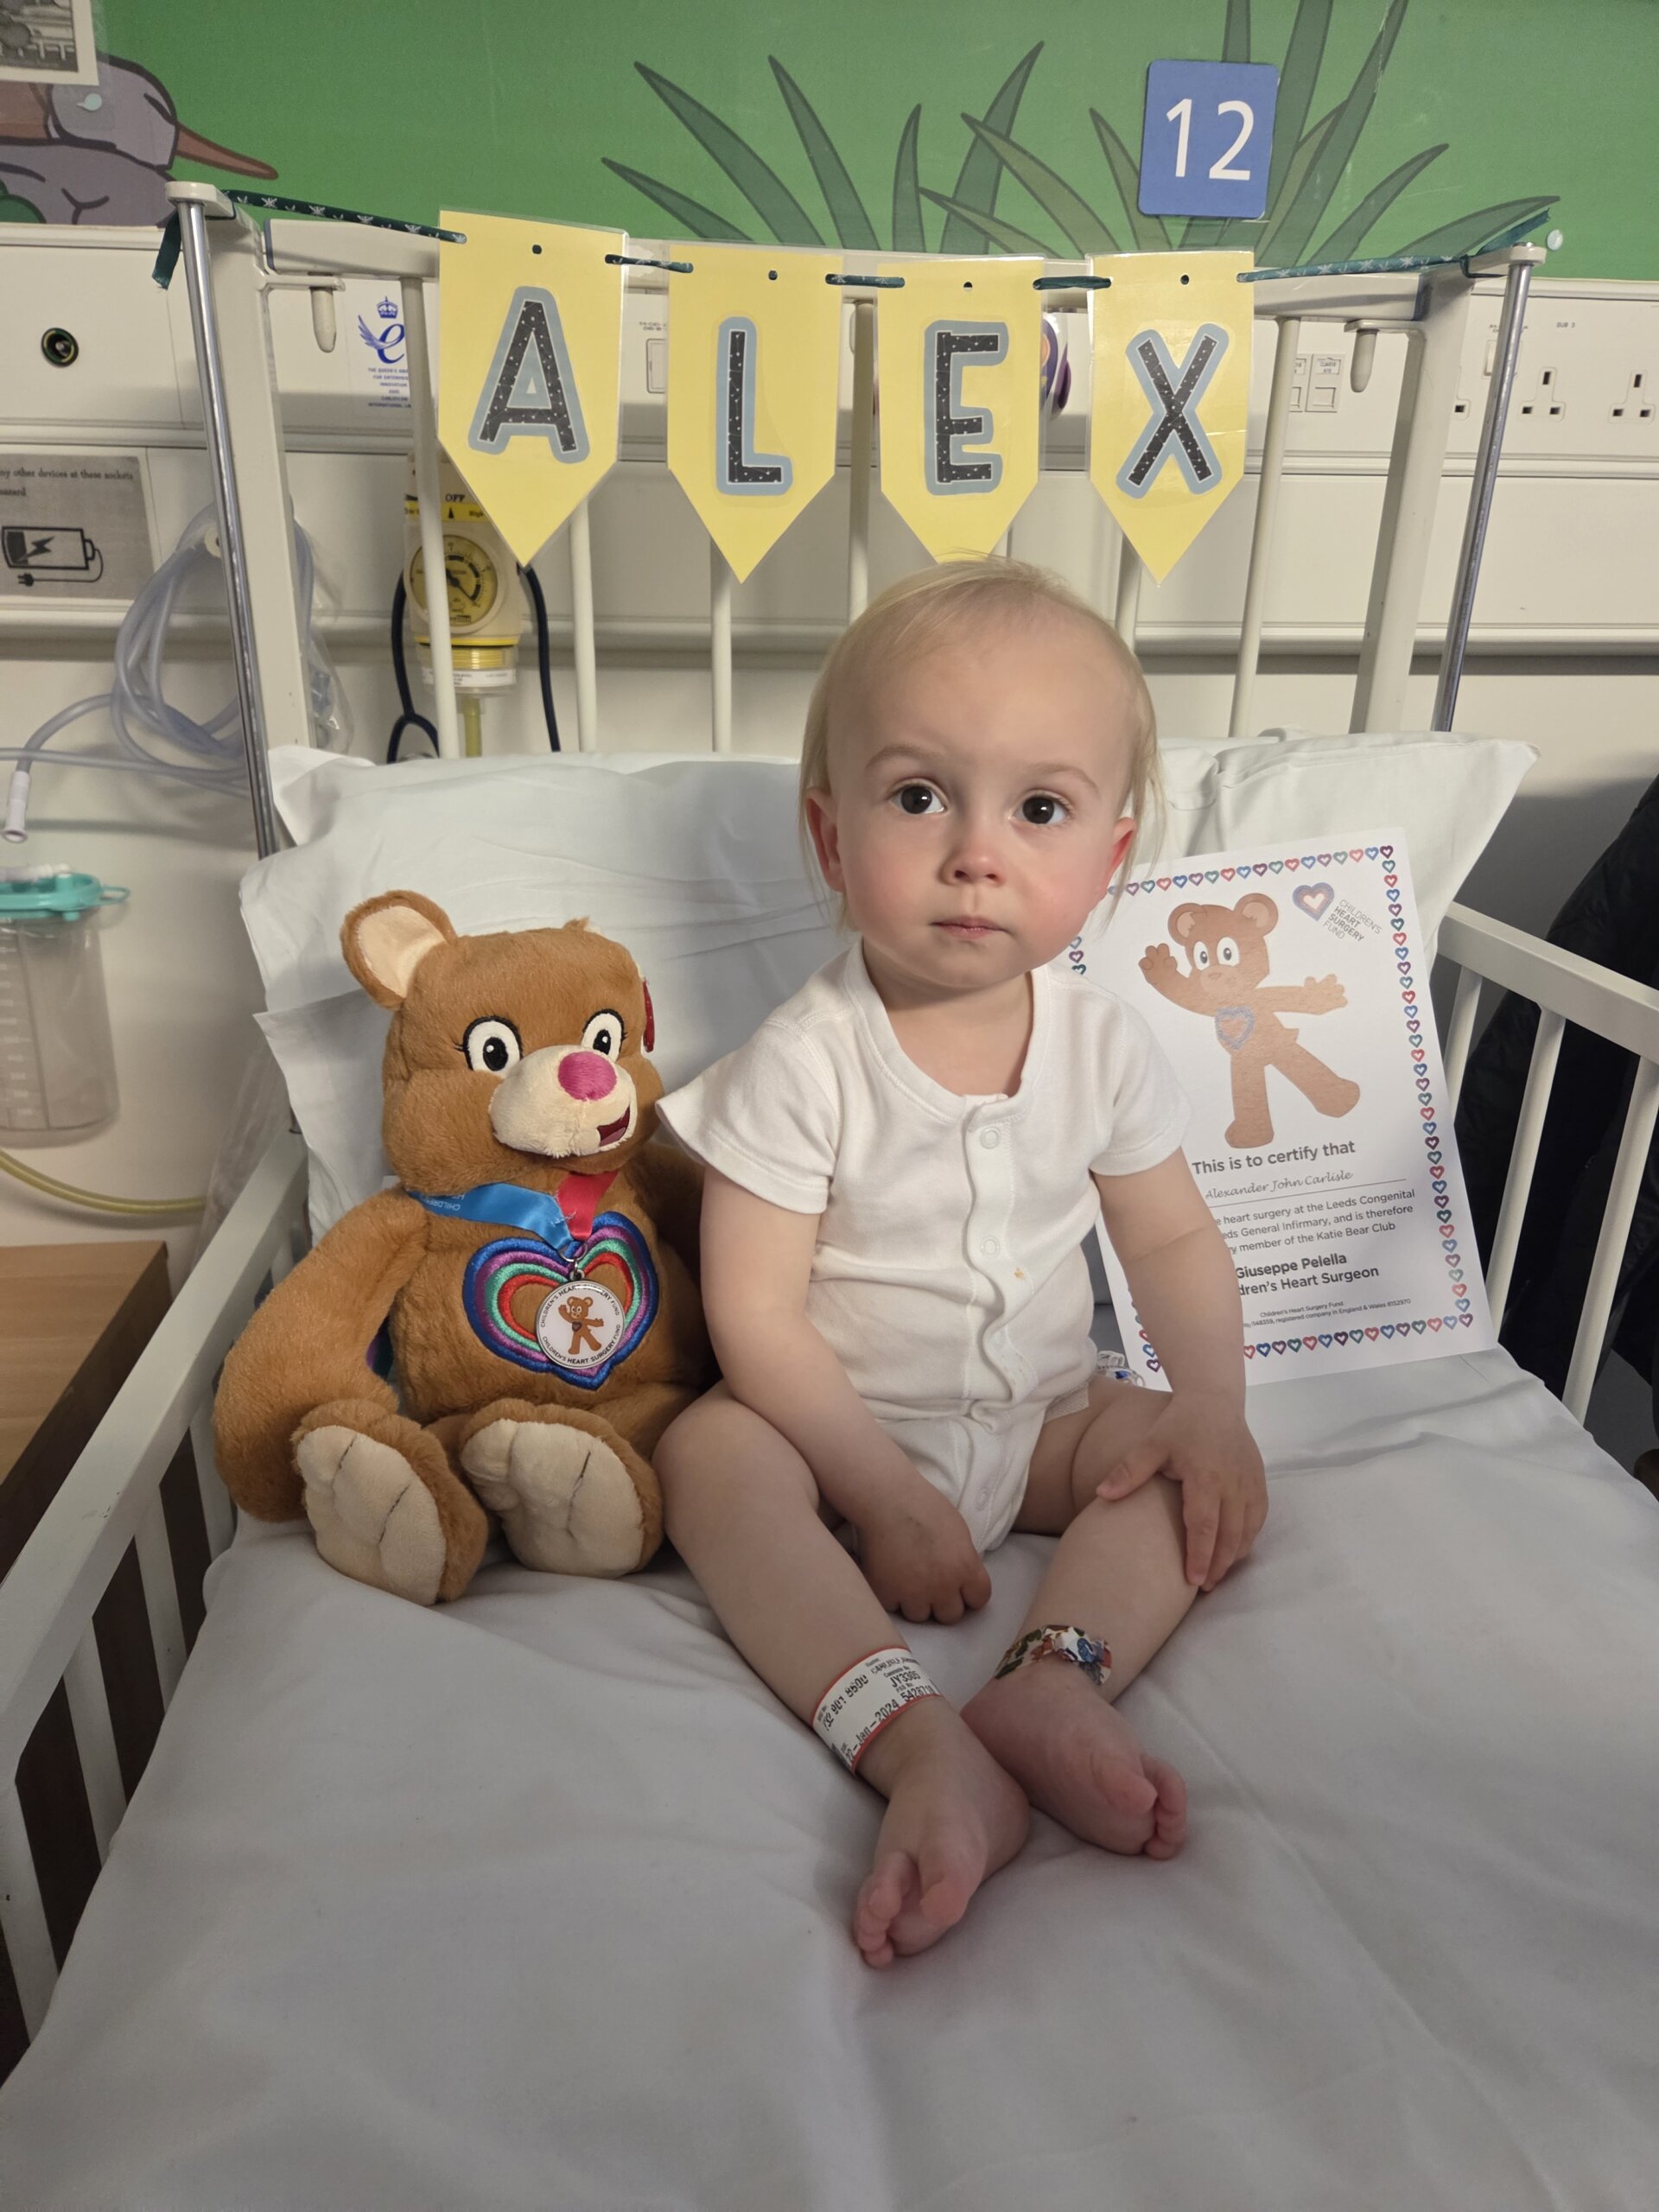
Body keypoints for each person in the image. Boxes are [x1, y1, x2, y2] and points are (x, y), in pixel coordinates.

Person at [654, 558, 1267, 1969]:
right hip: (839, 1438)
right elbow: (753, 1310)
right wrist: (881, 1496)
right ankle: (917, 1738)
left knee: (1183, 1469)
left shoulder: (1103, 1042)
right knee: (709, 1458)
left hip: (1047, 1427)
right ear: (829, 836)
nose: (975, 851)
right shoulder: (802, 1062)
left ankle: (1055, 1683)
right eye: (919, 796)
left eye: (1038, 808)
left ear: (1108, 859)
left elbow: (1168, 1237)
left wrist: (1211, 1411)